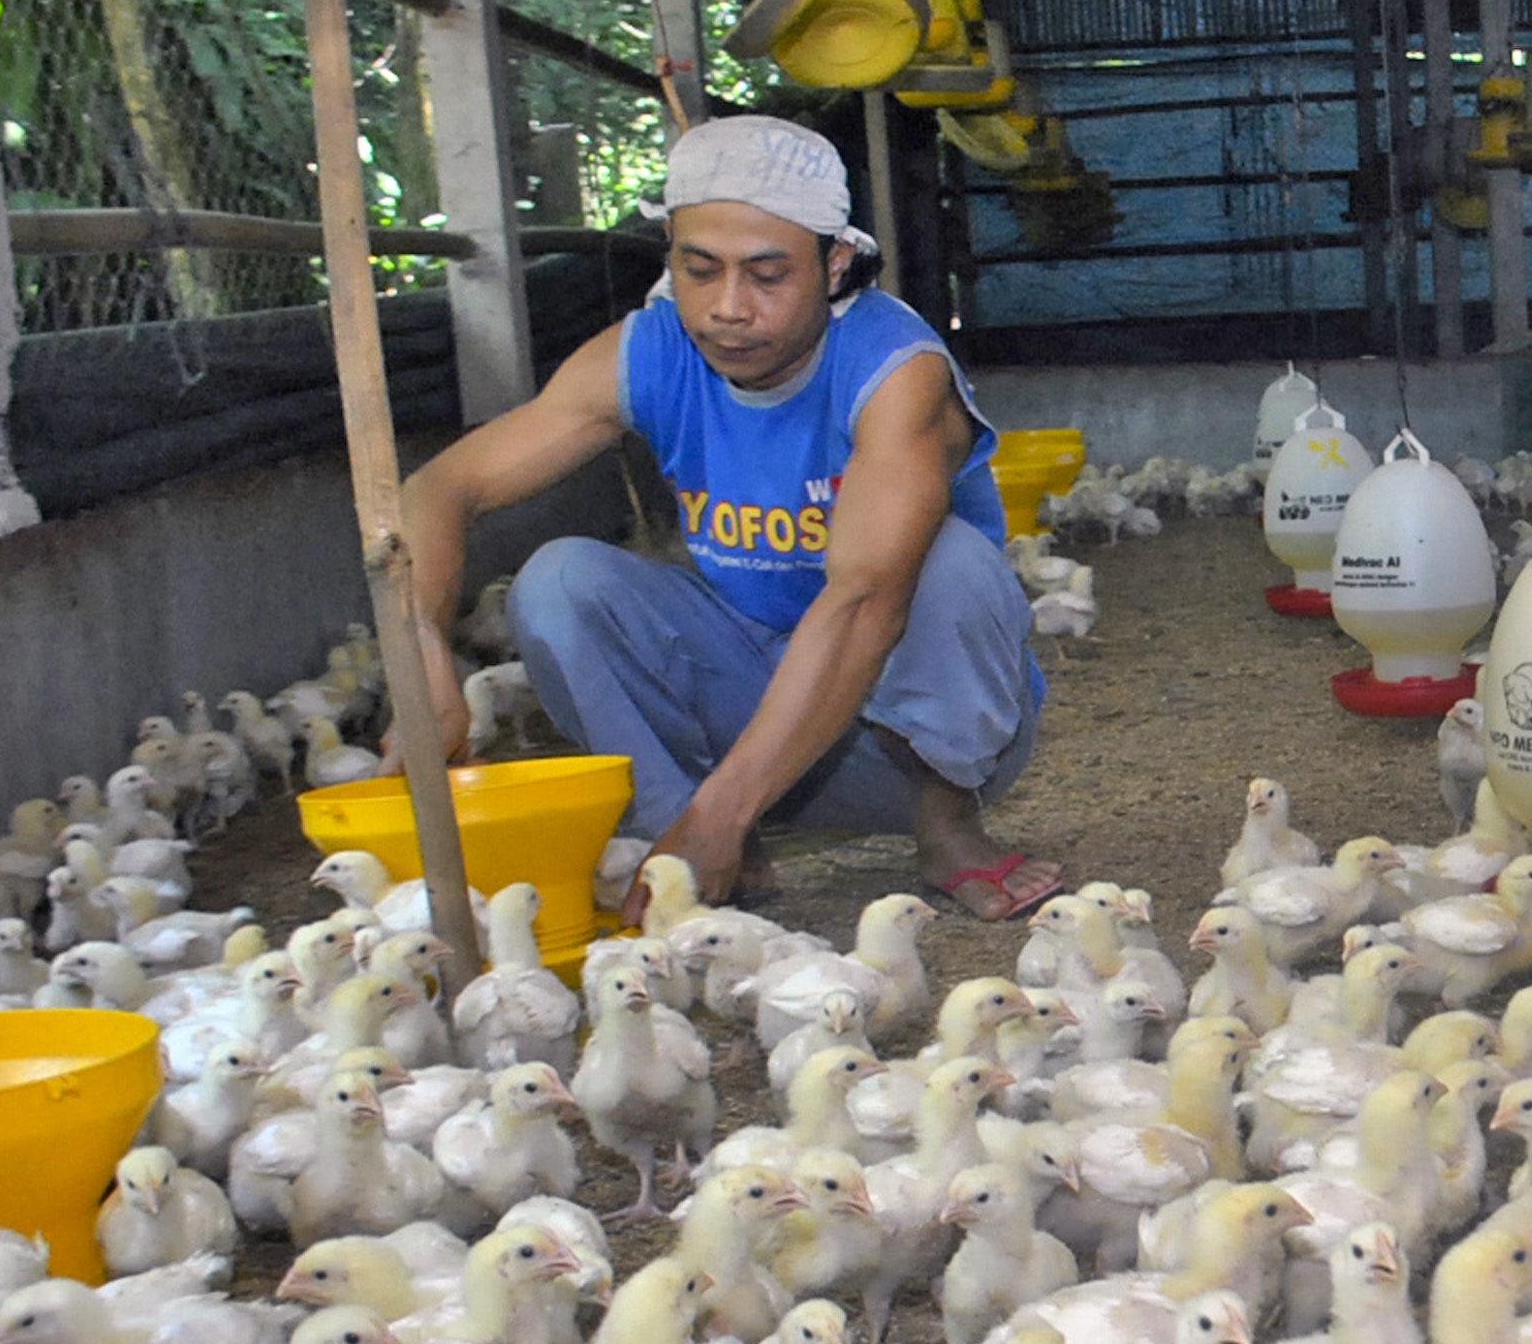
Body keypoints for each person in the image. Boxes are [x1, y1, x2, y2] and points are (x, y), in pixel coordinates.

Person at [390, 114, 1060, 919]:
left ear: (835, 263)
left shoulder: (894, 370)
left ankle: (944, 826)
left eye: (767, 275)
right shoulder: (650, 349)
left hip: (905, 739)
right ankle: (683, 833)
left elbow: (864, 606)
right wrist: (421, 650)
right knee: (559, 581)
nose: (728, 308)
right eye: (699, 270)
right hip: (749, 713)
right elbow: (439, 488)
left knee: (945, 560)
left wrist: (724, 812)